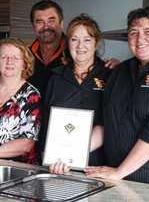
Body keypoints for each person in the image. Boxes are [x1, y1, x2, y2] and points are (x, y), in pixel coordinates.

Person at [84, 6, 149, 190]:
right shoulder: (120, 72)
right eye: (134, 32)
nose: (140, 39)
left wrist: (118, 172)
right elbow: (105, 123)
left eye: (148, 31)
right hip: (117, 179)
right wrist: (69, 155)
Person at [44, 14, 111, 173]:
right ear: (68, 44)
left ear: (96, 43)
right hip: (58, 164)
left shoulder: (111, 75)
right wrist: (47, 158)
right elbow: (46, 121)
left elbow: (112, 122)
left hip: (97, 166)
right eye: (74, 39)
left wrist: (74, 153)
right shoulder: (56, 77)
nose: (80, 46)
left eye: (87, 40)